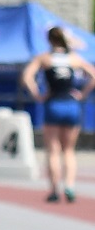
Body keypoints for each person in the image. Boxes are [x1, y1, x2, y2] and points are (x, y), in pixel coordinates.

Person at [20, 26, 94, 202]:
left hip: (53, 103)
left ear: (49, 40)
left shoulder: (44, 58)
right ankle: (69, 185)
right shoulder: (74, 58)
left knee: (53, 150)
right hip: (71, 104)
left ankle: (54, 189)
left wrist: (37, 94)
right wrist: (82, 94)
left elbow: (26, 76)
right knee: (68, 150)